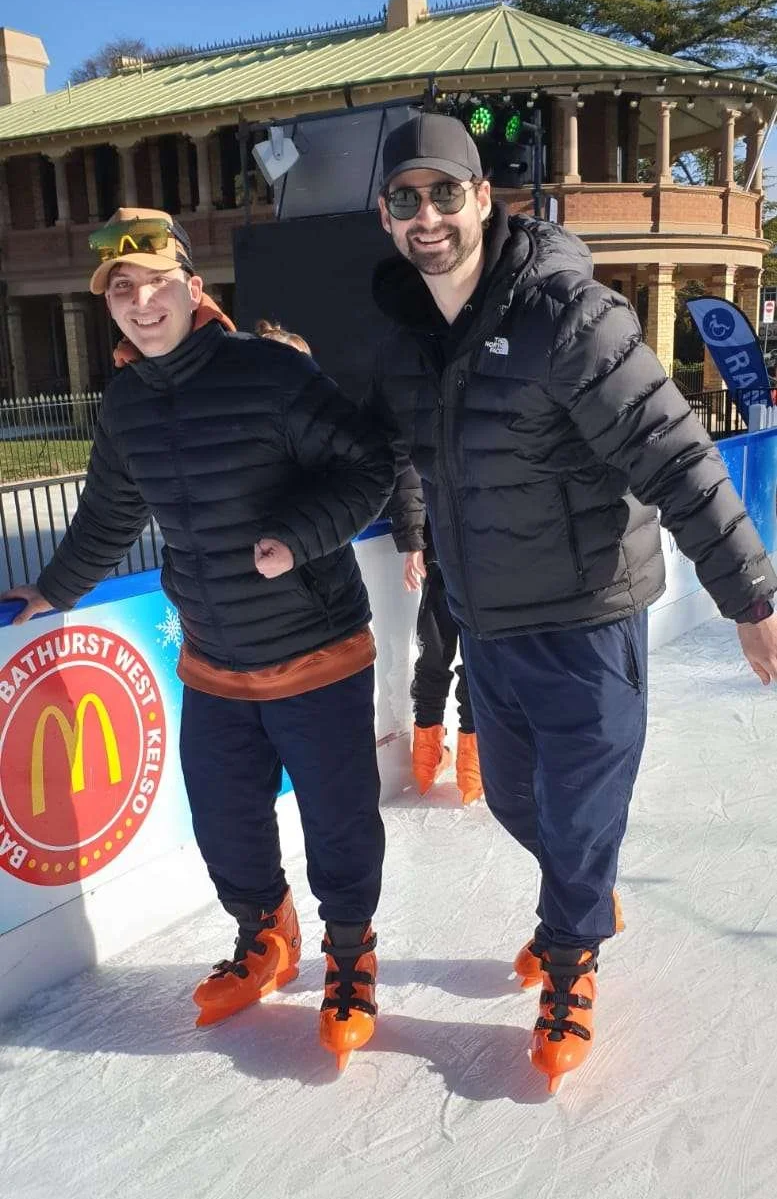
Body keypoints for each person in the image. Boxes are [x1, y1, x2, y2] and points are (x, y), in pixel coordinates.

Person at [369, 112, 777, 1092]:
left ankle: (570, 952)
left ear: (483, 198)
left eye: (445, 191)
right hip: (490, 622)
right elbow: (395, 461)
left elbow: (675, 455)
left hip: (590, 613)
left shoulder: (568, 316)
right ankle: (584, 897)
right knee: (518, 801)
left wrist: (751, 596)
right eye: (406, 198)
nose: (428, 215)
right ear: (386, 216)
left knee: (581, 812)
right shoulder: (408, 335)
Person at [2, 208, 395, 1071]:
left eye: (155, 283)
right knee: (224, 820)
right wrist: (53, 589)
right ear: (108, 304)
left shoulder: (268, 371)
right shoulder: (127, 404)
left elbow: (367, 464)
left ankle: (350, 952)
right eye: (122, 290)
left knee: (337, 819)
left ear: (191, 287)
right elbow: (108, 515)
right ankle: (265, 936)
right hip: (215, 658)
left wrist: (295, 538)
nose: (141, 303)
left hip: (316, 648)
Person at [387, 464, 483, 803]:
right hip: (485, 548)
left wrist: (414, 542)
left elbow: (408, 473)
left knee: (434, 654)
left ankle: (426, 761)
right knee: (477, 657)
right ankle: (472, 768)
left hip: (439, 544)